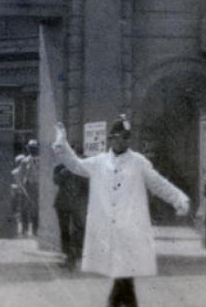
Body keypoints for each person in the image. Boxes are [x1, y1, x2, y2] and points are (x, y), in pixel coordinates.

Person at [53, 116, 191, 307]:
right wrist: (61, 140)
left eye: (126, 137)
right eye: (118, 137)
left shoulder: (139, 162)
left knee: (123, 273)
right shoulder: (99, 162)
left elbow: (158, 184)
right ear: (111, 139)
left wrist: (178, 199)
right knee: (123, 275)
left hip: (130, 228)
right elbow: (75, 164)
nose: (122, 141)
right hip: (108, 230)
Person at [53, 144, 89, 270]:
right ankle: (68, 256)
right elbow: (55, 180)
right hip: (63, 203)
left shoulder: (85, 166)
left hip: (78, 204)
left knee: (78, 230)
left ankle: (74, 257)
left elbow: (88, 185)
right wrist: (66, 170)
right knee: (65, 231)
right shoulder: (61, 165)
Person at [12, 140, 41, 237]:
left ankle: (35, 230)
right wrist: (21, 186)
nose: (32, 150)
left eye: (34, 148)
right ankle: (25, 230)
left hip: (38, 187)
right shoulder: (25, 161)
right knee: (25, 208)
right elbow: (20, 174)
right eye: (30, 148)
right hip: (28, 186)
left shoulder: (42, 160)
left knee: (36, 209)